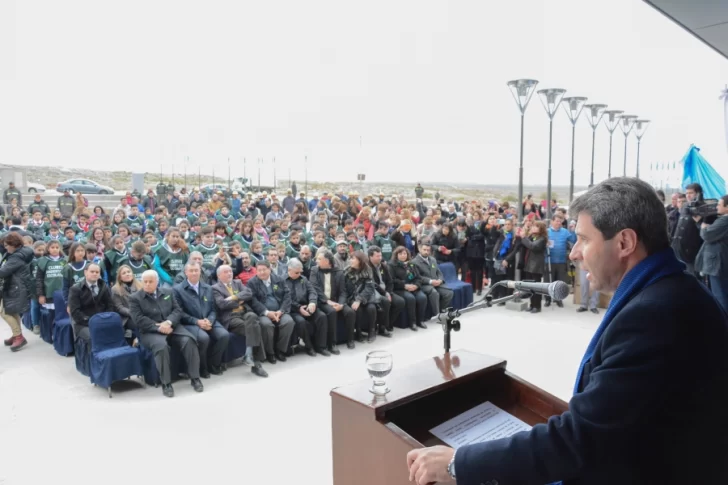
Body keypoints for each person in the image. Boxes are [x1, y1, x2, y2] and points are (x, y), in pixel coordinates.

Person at [406, 177, 728, 485]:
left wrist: (458, 464)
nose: (574, 253)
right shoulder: (673, 291)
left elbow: (580, 439)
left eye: (584, 239)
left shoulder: (655, 316)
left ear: (625, 242)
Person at [129, 270, 203, 397]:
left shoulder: (168, 292)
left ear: (157, 282)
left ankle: (195, 378)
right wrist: (159, 328)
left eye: (150, 281)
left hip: (171, 326)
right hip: (150, 331)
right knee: (161, 346)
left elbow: (177, 310)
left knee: (189, 340)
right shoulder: (135, 298)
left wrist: (168, 322)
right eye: (144, 281)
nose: (147, 284)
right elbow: (138, 319)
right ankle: (166, 383)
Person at [173, 262, 230, 377]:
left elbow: (213, 309)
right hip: (190, 323)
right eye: (191, 270)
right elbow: (180, 313)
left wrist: (210, 320)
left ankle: (213, 364)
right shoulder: (177, 290)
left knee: (224, 335)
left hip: (208, 320)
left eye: (196, 270)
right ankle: (202, 367)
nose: (194, 273)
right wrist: (197, 322)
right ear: (186, 273)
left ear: (200, 272)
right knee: (204, 338)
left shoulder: (207, 288)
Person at [211, 265, 268, 378]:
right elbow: (222, 304)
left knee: (252, 317)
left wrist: (233, 297)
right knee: (254, 327)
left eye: (230, 271)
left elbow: (249, 293)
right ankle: (256, 363)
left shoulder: (237, 282)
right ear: (218, 275)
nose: (229, 274)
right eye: (226, 272)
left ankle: (249, 357)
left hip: (245, 312)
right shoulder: (215, 288)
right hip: (231, 317)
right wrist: (239, 301)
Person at [247, 260, 295, 364]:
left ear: (270, 269)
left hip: (279, 311)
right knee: (266, 325)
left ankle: (280, 350)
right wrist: (267, 312)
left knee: (288, 322)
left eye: (264, 270)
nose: (261, 272)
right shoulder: (252, 283)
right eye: (259, 270)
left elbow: (287, 296)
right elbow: (253, 301)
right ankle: (270, 353)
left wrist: (281, 311)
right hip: (263, 312)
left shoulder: (279, 279)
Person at [310, 250, 353, 351]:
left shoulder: (339, 272)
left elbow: (343, 291)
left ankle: (350, 339)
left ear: (327, 261)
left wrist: (341, 304)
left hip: (336, 300)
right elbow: (314, 288)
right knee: (332, 312)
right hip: (322, 301)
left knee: (350, 312)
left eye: (320, 259)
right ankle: (332, 343)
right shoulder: (314, 270)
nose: (317, 261)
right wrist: (327, 301)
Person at [285, 258, 329, 356]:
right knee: (301, 322)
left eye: (300, 272)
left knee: (321, 316)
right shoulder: (282, 281)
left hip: (307, 305)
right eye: (296, 273)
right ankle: (309, 347)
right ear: (289, 270)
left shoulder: (303, 279)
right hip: (294, 310)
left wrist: (312, 302)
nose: (299, 274)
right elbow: (286, 299)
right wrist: (299, 308)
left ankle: (320, 346)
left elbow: (312, 291)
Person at [0, 232, 34, 351]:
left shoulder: (16, 257)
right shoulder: (21, 253)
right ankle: (16, 334)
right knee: (11, 310)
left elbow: (2, 272)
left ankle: (19, 336)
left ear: (13, 244)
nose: (5, 247)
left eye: (6, 245)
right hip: (16, 286)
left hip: (16, 287)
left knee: (4, 312)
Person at [695, 194, 728, 315]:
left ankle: (723, 324)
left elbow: (708, 235)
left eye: (719, 204)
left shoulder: (725, 220)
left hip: (717, 265)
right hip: (719, 263)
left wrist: (703, 227)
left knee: (720, 296)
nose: (716, 207)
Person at [68, 262, 114, 343]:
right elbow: (75, 312)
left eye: (97, 272)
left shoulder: (104, 287)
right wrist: (92, 321)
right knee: (93, 336)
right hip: (83, 324)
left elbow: (110, 306)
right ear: (85, 272)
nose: (95, 274)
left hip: (103, 320)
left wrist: (105, 319)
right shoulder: (75, 289)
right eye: (92, 272)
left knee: (117, 332)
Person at [390, 246, 428, 331]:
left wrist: (416, 286)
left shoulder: (411, 264)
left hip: (413, 287)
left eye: (405, 254)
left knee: (422, 297)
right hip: (400, 289)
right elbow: (392, 280)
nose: (403, 256)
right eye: (400, 254)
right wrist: (404, 285)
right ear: (396, 255)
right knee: (410, 298)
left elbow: (418, 278)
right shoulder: (392, 265)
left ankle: (420, 320)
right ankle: (413, 323)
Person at [367, 246, 403, 335]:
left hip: (386, 291)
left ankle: (388, 323)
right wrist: (385, 293)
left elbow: (390, 281)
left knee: (400, 302)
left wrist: (389, 292)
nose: (380, 258)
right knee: (385, 302)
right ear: (370, 256)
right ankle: (382, 327)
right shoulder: (367, 267)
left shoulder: (383, 265)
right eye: (377, 256)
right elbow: (373, 284)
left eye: (380, 256)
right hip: (375, 292)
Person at [412, 242, 454, 317]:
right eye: (424, 250)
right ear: (419, 249)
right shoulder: (414, 262)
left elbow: (438, 272)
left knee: (449, 293)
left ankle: (442, 310)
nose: (426, 252)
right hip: (424, 285)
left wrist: (440, 280)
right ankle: (436, 315)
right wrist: (430, 281)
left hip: (436, 283)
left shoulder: (433, 259)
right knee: (434, 293)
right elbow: (417, 277)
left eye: (428, 250)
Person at [671, 183, 705, 275]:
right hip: (677, 249)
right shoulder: (685, 206)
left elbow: (703, 231)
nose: (688, 195)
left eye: (691, 193)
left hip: (691, 252)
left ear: (698, 193)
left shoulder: (703, 208)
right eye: (686, 193)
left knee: (693, 278)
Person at [520, 221, 548, 314]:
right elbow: (525, 243)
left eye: (536, 227)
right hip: (529, 264)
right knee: (530, 287)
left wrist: (524, 237)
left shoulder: (542, 239)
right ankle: (532, 305)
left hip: (536, 266)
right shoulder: (532, 236)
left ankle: (537, 306)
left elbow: (532, 246)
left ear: (541, 229)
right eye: (533, 226)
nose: (533, 228)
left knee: (536, 287)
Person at [110, 264, 141, 345]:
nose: (127, 274)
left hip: (141, 314)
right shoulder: (115, 289)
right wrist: (134, 313)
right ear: (120, 277)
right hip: (126, 318)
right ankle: (137, 339)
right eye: (124, 273)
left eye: (129, 272)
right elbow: (119, 307)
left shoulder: (140, 286)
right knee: (138, 323)